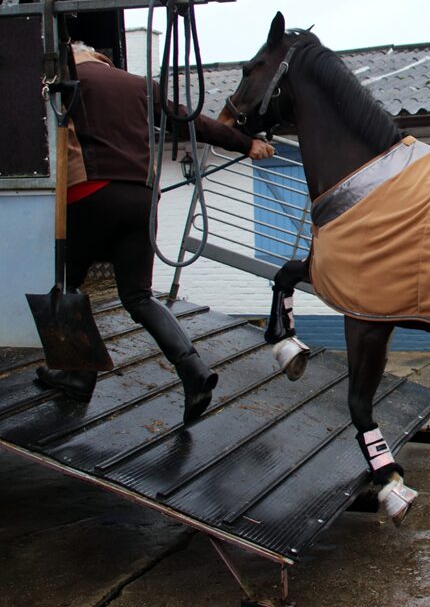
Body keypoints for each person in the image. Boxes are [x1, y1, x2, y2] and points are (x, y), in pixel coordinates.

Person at [35, 42, 274, 424]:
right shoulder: (140, 84)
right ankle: (194, 372)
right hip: (142, 197)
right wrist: (247, 144)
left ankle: (77, 375)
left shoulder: (61, 80)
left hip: (89, 191)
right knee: (138, 295)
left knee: (65, 286)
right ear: (101, 57)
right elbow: (194, 121)